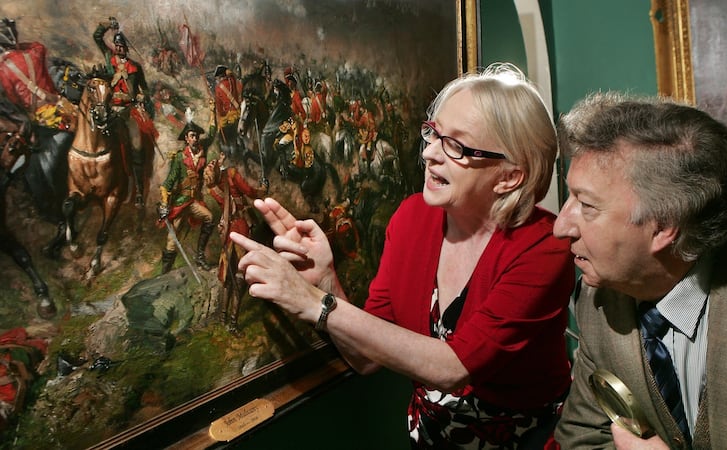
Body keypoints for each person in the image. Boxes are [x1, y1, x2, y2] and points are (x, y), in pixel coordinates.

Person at [231, 63, 575, 448]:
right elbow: (366, 358)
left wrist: (313, 302)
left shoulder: (545, 247)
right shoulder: (412, 218)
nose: (429, 153)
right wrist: (327, 281)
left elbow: (453, 368)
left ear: (509, 176)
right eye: (432, 133)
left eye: (456, 146)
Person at [553, 91, 727, 450]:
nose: (561, 226)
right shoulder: (598, 297)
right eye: (570, 197)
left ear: (664, 227)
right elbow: (582, 437)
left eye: (587, 205)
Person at [93, 16, 156, 207]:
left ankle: (138, 189)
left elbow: (144, 90)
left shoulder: (135, 68)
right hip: (110, 109)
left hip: (128, 111)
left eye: (122, 46)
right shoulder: (109, 60)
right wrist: (107, 25)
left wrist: (141, 97)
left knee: (136, 147)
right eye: (117, 46)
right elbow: (97, 37)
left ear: (126, 48)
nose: (119, 49)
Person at [204, 151, 266, 335]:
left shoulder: (213, 188)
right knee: (239, 278)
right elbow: (249, 191)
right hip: (240, 229)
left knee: (229, 278)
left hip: (228, 234)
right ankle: (232, 323)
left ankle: (223, 317)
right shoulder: (231, 175)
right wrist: (262, 190)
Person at [158, 113, 217, 273]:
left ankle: (199, 257)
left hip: (193, 201)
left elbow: (212, 134)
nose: (196, 138)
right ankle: (164, 273)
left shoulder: (202, 151)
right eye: (192, 136)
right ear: (186, 138)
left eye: (197, 136)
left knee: (209, 218)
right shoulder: (179, 158)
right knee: (172, 241)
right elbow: (168, 183)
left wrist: (212, 112)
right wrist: (164, 204)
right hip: (179, 202)